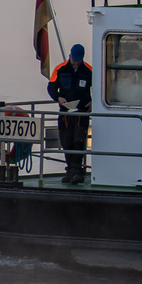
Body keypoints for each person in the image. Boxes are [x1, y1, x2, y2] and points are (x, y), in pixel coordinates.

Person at [49, 44, 93, 184]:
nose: (75, 63)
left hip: (81, 113)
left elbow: (100, 88)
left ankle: (76, 172)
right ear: (70, 56)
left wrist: (93, 102)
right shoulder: (60, 69)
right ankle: (70, 171)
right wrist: (58, 98)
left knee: (78, 142)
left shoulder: (89, 71)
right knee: (66, 142)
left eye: (78, 61)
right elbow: (51, 87)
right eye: (74, 60)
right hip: (65, 113)